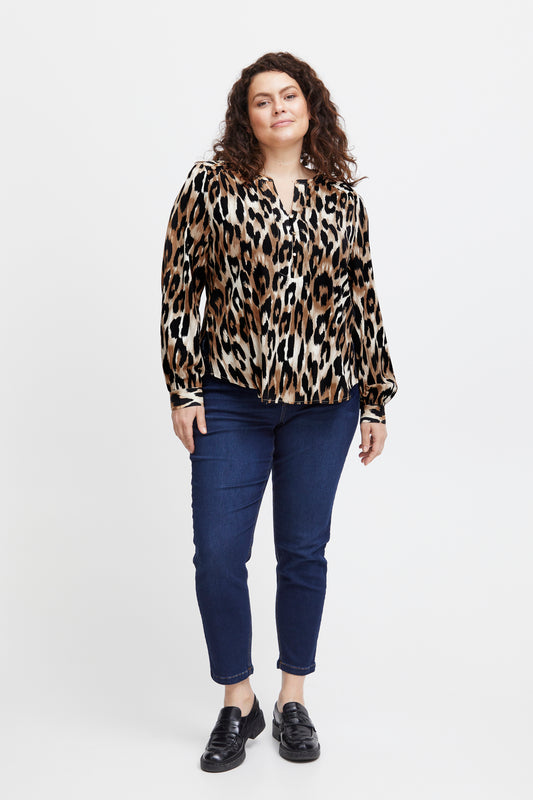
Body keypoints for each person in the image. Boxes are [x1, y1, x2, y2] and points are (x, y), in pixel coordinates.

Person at [160, 51, 398, 773]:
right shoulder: (210, 185)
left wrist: (376, 398)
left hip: (327, 402)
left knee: (302, 553)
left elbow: (362, 299)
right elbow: (180, 286)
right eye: (261, 101)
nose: (276, 109)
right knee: (217, 555)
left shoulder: (341, 199)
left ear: (309, 105)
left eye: (287, 96)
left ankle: (293, 696)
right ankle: (238, 699)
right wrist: (183, 388)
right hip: (230, 398)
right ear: (247, 116)